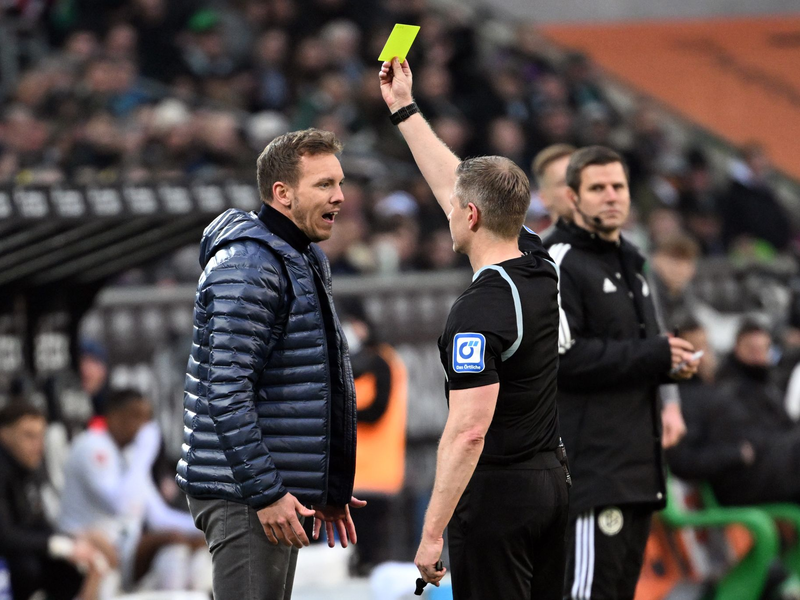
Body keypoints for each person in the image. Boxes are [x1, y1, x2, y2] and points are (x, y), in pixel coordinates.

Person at [380, 58, 569, 600]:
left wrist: (432, 530)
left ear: (469, 217)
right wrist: (405, 109)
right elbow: (455, 186)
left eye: (454, 211)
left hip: (499, 496)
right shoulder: (540, 264)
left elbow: (468, 432)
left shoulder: (480, 308)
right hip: (552, 483)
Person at [176, 128, 365, 600]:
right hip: (244, 493)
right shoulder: (249, 265)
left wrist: (324, 486)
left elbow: (308, 383)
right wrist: (266, 493)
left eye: (339, 183)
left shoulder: (301, 256)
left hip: (269, 489)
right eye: (324, 185)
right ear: (282, 193)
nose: (339, 197)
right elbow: (227, 392)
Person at [542, 145, 699, 598]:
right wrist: (655, 356)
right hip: (593, 474)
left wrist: (670, 366)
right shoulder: (560, 261)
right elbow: (563, 360)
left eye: (619, 186)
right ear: (573, 197)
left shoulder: (632, 260)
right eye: (597, 188)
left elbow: (638, 353)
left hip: (636, 470)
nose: (611, 196)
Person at [59, 389, 207, 592]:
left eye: (148, 419)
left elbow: (159, 516)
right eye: (136, 417)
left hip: (125, 548)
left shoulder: (131, 454)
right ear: (113, 416)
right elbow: (118, 505)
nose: (144, 427)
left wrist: (205, 528)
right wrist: (145, 453)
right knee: (173, 546)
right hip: (90, 545)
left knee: (194, 547)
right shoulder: (91, 445)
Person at [668, 319, 800, 506]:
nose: (703, 355)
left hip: (768, 463)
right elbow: (682, 460)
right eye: (693, 349)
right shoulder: (683, 398)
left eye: (705, 346)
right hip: (743, 479)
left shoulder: (719, 388)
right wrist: (736, 454)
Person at [0, 404, 109, 600]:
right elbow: (5, 535)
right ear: (4, 435)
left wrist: (72, 541)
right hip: (11, 564)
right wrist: (61, 545)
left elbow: (36, 523)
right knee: (27, 567)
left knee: (73, 566)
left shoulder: (28, 469)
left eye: (41, 435)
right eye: (28, 435)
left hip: (22, 553)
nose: (38, 444)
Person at [339, 298, 409, 575]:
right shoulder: (346, 365)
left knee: (370, 558)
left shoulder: (381, 361)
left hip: (375, 477)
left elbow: (376, 410)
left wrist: (338, 411)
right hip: (350, 476)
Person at [531, 143, 575, 235]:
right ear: (544, 198)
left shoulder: (610, 240)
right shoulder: (541, 248)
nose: (574, 187)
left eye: (578, 179)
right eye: (564, 183)